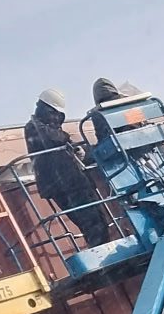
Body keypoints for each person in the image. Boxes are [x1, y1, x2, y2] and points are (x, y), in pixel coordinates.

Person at [23, 89, 110, 246]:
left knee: (96, 220)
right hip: (65, 184)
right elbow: (53, 138)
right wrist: (70, 142)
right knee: (91, 222)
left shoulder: (47, 127)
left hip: (69, 183)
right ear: (50, 110)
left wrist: (76, 149)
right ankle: (105, 259)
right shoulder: (34, 127)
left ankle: (103, 255)